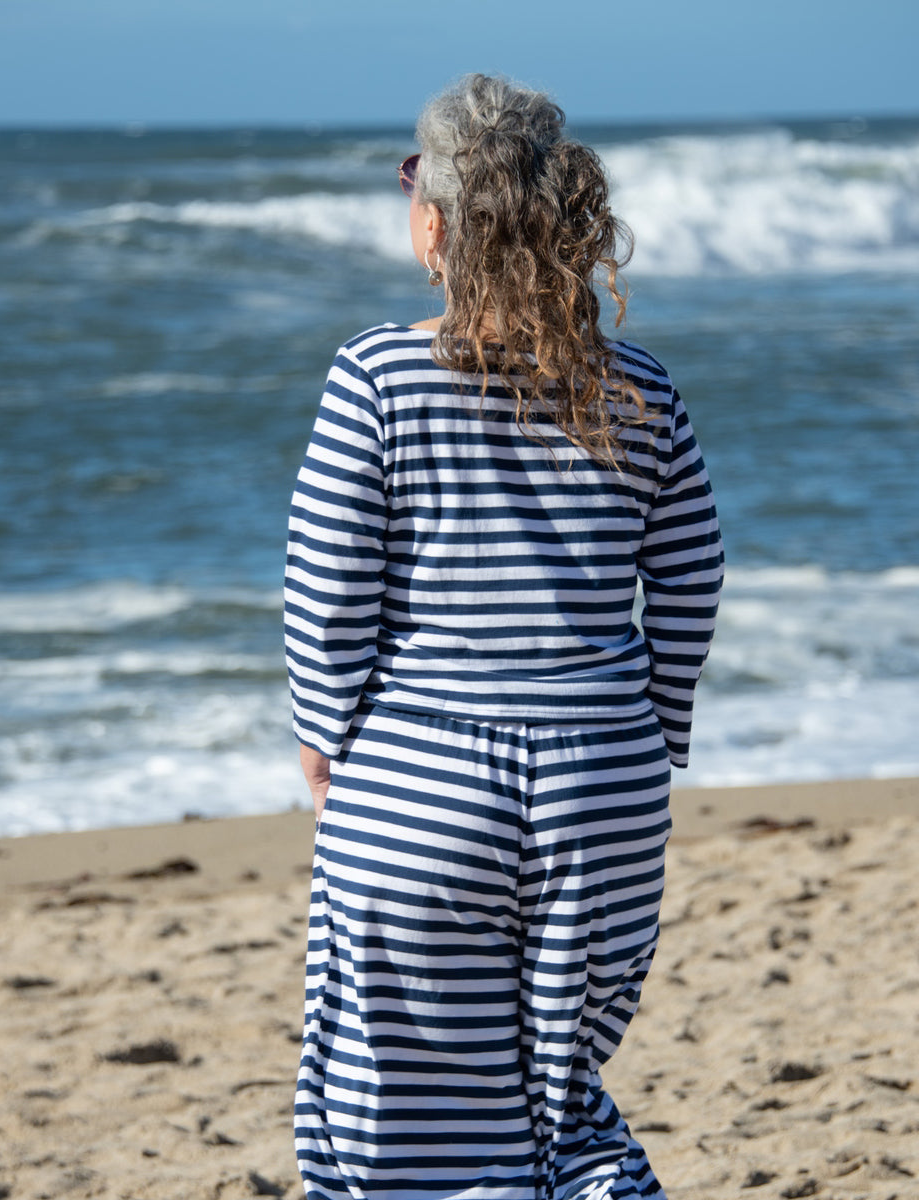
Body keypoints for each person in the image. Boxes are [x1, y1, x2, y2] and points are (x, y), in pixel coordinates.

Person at [284, 73, 722, 1200]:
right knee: (553, 1095)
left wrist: (325, 738)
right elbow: (689, 574)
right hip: (606, 790)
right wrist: (654, 724)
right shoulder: (643, 391)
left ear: (433, 223)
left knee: (405, 1110)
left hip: (424, 777)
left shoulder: (378, 376)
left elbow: (329, 590)